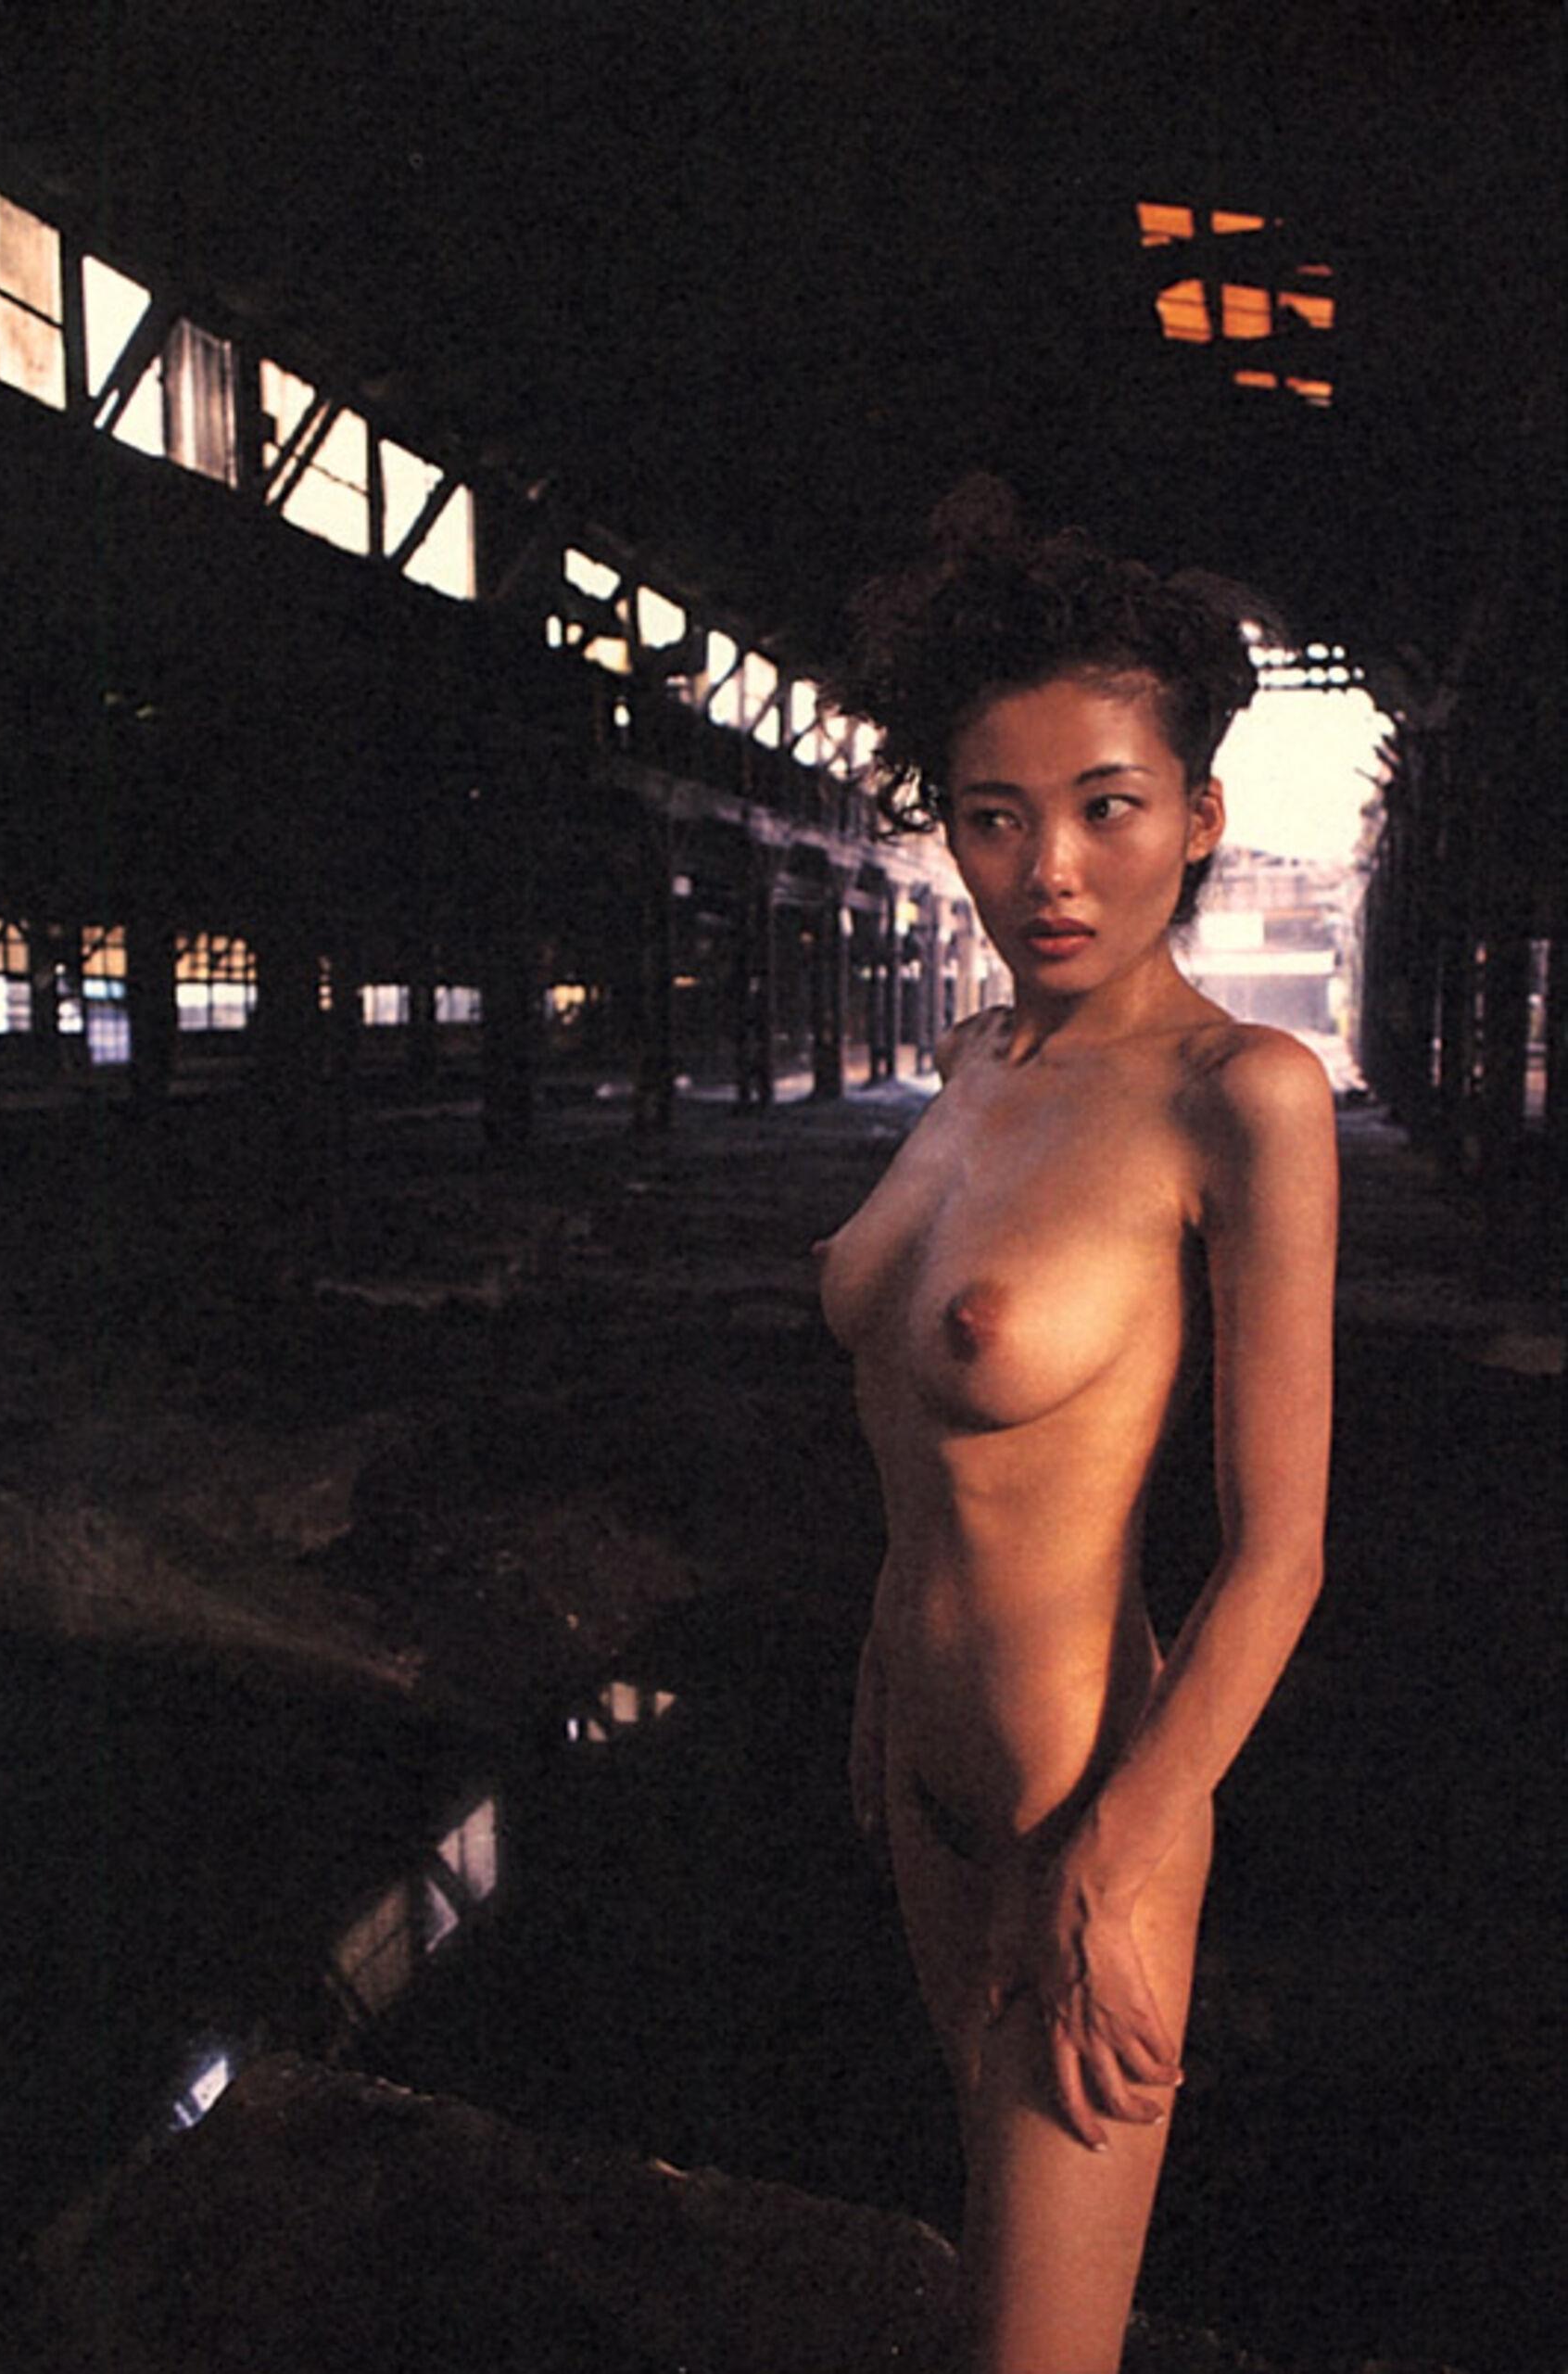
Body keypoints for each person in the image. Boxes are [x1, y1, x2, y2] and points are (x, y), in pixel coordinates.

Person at [816, 481, 1337, 2374]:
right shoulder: (976, 1060)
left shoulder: (1240, 1096)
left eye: (1108, 806)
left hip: (1080, 1808)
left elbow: (1279, 1550)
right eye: (994, 814)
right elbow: (922, 1433)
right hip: (924, 1785)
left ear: (1198, 815)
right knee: (989, 2293)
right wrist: (881, 1682)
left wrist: (1120, 1845)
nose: (1049, 869)